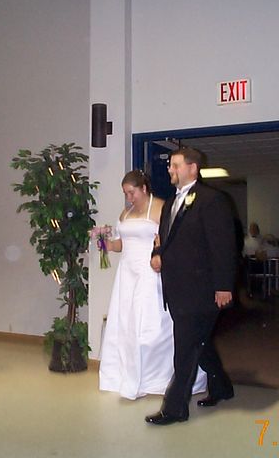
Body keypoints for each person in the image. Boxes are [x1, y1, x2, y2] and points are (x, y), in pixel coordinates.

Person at [147, 148, 237, 425]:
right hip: (176, 288)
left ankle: (174, 408)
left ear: (192, 168)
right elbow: (164, 240)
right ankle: (222, 387)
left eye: (175, 165)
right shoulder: (170, 203)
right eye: (170, 166)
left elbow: (223, 246)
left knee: (185, 348)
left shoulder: (212, 200)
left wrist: (224, 286)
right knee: (199, 343)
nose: (170, 170)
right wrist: (157, 254)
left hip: (202, 289)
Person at [99, 170, 207, 399]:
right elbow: (119, 245)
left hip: (150, 271)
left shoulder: (161, 207)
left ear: (144, 188)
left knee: (150, 325)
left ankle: (158, 377)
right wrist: (101, 241)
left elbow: (174, 240)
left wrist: (160, 255)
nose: (129, 198)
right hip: (127, 273)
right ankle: (127, 374)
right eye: (125, 194)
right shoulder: (126, 212)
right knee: (126, 323)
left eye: (132, 192)